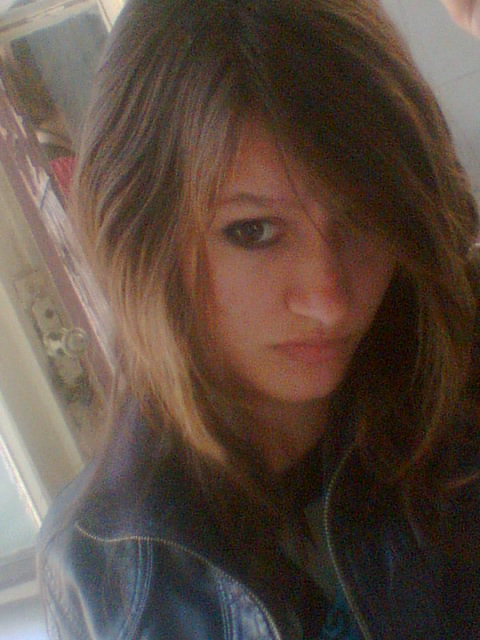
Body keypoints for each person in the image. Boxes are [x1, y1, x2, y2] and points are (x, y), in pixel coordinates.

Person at [37, 0, 480, 638]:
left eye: (364, 217)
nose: (329, 300)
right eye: (253, 231)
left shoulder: (463, 399)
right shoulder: (99, 564)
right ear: (143, 235)